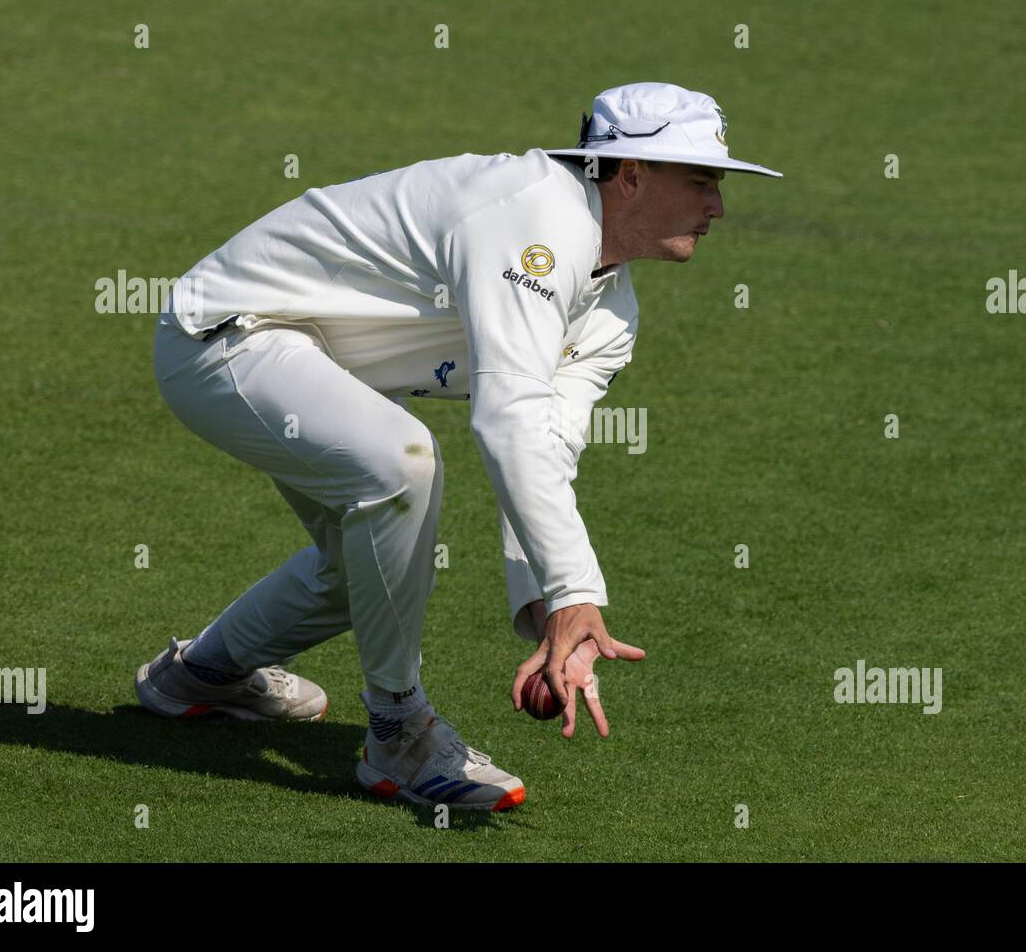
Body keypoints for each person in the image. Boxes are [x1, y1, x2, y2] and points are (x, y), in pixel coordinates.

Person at [136, 81, 782, 811]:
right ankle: (398, 734)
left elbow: (541, 451)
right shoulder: (538, 219)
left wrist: (552, 619)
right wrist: (577, 593)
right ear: (629, 174)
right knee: (399, 463)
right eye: (700, 180)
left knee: (373, 566)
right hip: (227, 336)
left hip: (311, 359)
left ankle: (198, 676)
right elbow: (505, 420)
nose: (718, 206)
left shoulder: (611, 314)